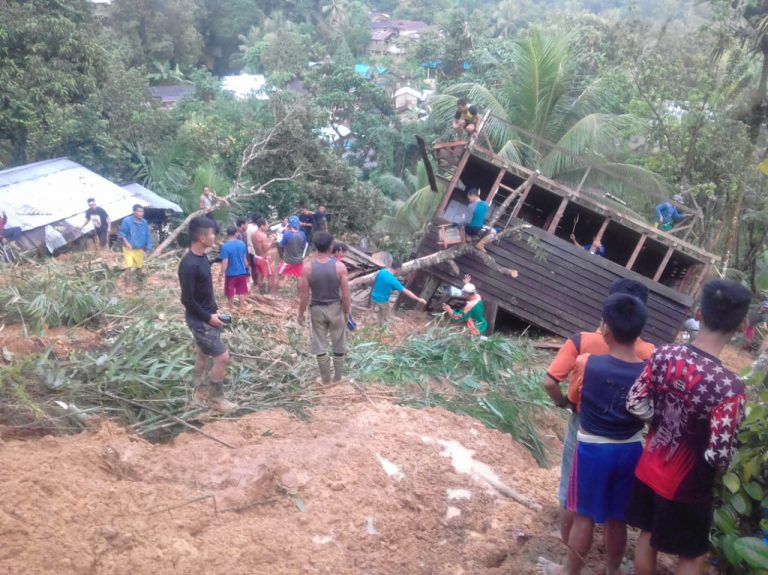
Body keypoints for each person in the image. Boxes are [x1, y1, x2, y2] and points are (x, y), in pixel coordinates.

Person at [625, 279, 751, 575]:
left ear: (699, 313)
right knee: (693, 557)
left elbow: (634, 403)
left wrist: (660, 424)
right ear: (742, 325)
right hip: (688, 486)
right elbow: (719, 455)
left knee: (647, 535)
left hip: (649, 467)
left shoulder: (663, 355)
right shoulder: (729, 388)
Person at [542, 279, 655, 545]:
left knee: (571, 487)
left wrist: (563, 403)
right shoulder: (649, 352)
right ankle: (612, 563)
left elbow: (549, 382)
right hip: (628, 433)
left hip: (585, 426)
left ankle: (568, 547)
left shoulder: (582, 342)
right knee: (618, 504)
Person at [178, 217, 236, 412]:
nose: (215, 237)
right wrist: (208, 318)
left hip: (207, 315)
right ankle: (216, 398)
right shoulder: (189, 264)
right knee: (222, 357)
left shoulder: (202, 258)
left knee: (203, 353)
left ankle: (195, 389)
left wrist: (214, 312)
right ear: (203, 237)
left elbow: (202, 293)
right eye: (212, 234)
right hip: (200, 320)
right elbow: (187, 300)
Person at [297, 231, 351, 384]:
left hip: (317, 309)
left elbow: (304, 295)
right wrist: (347, 312)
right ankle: (338, 377)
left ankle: (325, 379)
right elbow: (346, 295)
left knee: (320, 343)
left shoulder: (307, 268)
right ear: (330, 247)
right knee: (339, 341)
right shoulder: (340, 267)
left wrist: (300, 314)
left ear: (315, 247)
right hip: (335, 307)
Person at [370, 261, 426, 326]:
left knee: (383, 313)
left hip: (373, 297)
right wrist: (419, 299)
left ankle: (379, 321)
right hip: (382, 301)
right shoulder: (393, 280)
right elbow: (406, 292)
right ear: (398, 269)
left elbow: (376, 281)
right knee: (383, 320)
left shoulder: (381, 272)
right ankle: (380, 327)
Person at [119, 204, 152, 282]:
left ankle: (141, 282)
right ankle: (127, 286)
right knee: (129, 266)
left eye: (142, 211)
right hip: (128, 248)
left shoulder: (144, 222)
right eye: (139, 211)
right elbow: (122, 233)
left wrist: (148, 248)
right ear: (134, 212)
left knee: (139, 267)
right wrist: (127, 243)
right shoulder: (127, 221)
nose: (141, 213)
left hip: (139, 249)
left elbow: (147, 235)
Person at [219, 225, 249, 306]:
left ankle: (231, 307)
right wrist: (247, 268)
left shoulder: (225, 247)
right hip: (242, 272)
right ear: (236, 233)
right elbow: (244, 258)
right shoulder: (242, 243)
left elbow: (225, 262)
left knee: (230, 291)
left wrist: (221, 274)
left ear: (227, 234)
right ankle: (242, 306)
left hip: (231, 273)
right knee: (241, 291)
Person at [252, 217, 278, 294]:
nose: (267, 226)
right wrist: (272, 242)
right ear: (262, 226)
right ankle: (269, 292)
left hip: (256, 257)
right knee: (271, 275)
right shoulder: (263, 235)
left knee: (260, 274)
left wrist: (269, 241)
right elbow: (265, 249)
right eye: (266, 225)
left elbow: (260, 245)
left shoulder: (253, 234)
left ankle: (261, 290)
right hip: (263, 259)